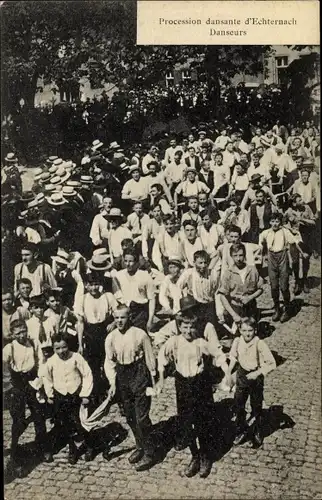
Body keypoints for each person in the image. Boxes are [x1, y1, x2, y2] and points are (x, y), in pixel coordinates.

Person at [157, 313, 228, 478]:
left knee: (203, 422)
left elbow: (219, 354)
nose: (188, 331)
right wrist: (160, 378)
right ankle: (194, 455)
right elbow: (162, 357)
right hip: (182, 385)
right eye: (185, 327)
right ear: (179, 327)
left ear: (196, 328)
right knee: (186, 422)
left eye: (191, 327)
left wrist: (228, 373)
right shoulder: (173, 342)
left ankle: (205, 457)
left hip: (199, 384)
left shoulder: (201, 343)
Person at [104, 306, 157, 471]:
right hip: (122, 375)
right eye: (117, 318)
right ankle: (139, 446)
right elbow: (109, 362)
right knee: (130, 416)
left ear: (130, 317)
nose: (120, 321)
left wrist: (152, 382)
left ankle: (150, 452)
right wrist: (113, 383)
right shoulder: (111, 337)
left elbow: (150, 358)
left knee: (142, 417)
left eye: (123, 317)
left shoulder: (140, 334)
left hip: (138, 373)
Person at [3, 319, 50, 475]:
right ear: (12, 334)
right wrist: (9, 386)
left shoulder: (33, 343)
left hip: (32, 382)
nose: (21, 335)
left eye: (23, 331)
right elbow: (4, 367)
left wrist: (39, 381)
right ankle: (14, 454)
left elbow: (41, 362)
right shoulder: (9, 348)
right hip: (17, 385)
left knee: (39, 415)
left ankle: (42, 448)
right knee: (18, 420)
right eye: (18, 333)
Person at [41, 332, 94, 464]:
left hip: (75, 394)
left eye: (64, 347)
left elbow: (87, 374)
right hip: (60, 396)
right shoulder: (51, 361)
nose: (61, 351)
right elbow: (47, 378)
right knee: (66, 423)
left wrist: (85, 394)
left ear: (68, 346)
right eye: (57, 348)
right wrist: (50, 394)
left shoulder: (76, 357)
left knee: (80, 422)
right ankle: (73, 449)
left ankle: (89, 446)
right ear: (53, 349)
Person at [226, 317, 276, 448]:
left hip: (256, 376)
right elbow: (233, 357)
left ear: (255, 330)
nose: (247, 334)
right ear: (240, 330)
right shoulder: (237, 341)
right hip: (242, 375)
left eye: (250, 330)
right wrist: (229, 372)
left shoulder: (259, 344)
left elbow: (272, 363)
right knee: (239, 404)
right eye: (244, 330)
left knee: (256, 405)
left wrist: (257, 373)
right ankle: (241, 430)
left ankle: (257, 432)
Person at [259, 212, 308, 323]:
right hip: (271, 259)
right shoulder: (265, 233)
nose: (275, 224)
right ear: (270, 222)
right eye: (272, 221)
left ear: (280, 222)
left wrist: (302, 253)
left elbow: (295, 243)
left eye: (277, 221)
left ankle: (287, 308)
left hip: (282, 258)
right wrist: (262, 256)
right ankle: (277, 308)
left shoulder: (285, 232)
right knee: (274, 286)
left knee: (284, 286)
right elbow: (260, 244)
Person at [76, 271, 118, 397]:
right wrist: (80, 343)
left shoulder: (108, 297)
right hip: (90, 334)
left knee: (108, 361)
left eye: (96, 284)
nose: (93, 288)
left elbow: (118, 313)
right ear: (86, 285)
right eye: (90, 285)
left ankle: (113, 390)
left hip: (105, 331)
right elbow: (80, 323)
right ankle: (97, 393)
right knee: (93, 364)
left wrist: (114, 323)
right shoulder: (82, 299)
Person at [218, 243, 264, 325]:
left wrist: (250, 297)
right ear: (231, 256)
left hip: (250, 307)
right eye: (235, 256)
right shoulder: (228, 273)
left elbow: (260, 289)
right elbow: (222, 296)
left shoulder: (252, 270)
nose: (238, 259)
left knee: (250, 330)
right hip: (235, 308)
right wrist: (234, 315)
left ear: (245, 255)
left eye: (241, 255)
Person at [113, 249, 156, 331]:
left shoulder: (145, 276)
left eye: (131, 261)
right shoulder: (118, 276)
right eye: (125, 261)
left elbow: (152, 299)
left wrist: (150, 320)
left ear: (137, 262)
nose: (128, 264)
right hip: (124, 313)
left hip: (140, 313)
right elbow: (116, 298)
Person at [177, 250, 220, 325]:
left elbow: (217, 290)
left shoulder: (213, 274)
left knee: (210, 326)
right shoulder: (188, 273)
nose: (203, 265)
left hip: (209, 305)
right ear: (194, 263)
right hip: (194, 304)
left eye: (205, 263)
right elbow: (177, 287)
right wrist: (182, 301)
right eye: (200, 263)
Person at [285, 194, 316, 294]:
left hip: (306, 237)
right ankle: (298, 282)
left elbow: (313, 222)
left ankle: (305, 281)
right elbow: (283, 223)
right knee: (295, 261)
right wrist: (290, 230)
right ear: (294, 203)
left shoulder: (307, 208)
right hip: (294, 239)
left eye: (301, 198)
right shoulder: (289, 211)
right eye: (299, 200)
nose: (302, 201)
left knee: (306, 259)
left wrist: (302, 219)